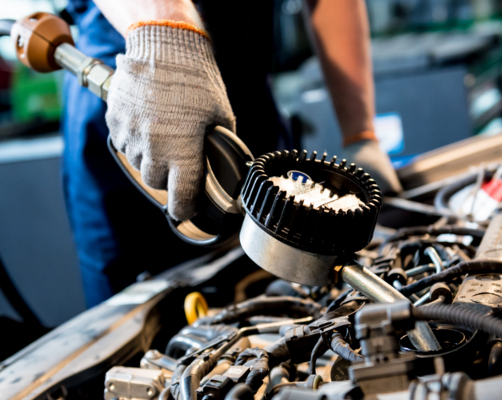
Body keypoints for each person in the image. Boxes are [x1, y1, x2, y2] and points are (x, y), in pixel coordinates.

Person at [63, 0, 401, 307]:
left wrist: (360, 135)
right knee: (135, 318)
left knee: (289, 300)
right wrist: (163, 31)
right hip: (136, 98)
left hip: (248, 107)